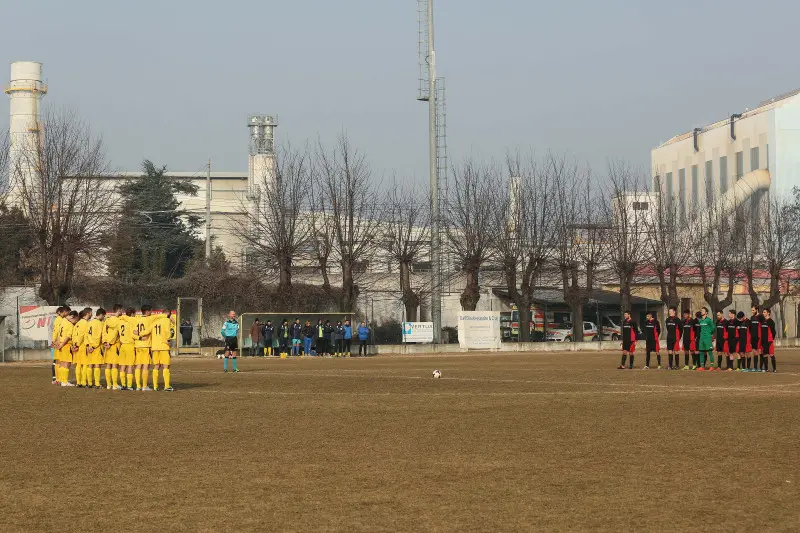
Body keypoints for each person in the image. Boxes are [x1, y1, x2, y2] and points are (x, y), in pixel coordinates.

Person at [133, 305, 155, 390]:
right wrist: (142, 334)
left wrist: (138, 334)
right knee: (146, 366)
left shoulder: (137, 320)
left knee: (138, 366)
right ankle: (144, 386)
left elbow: (133, 332)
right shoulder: (149, 319)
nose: (151, 312)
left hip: (138, 346)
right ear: (147, 311)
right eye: (150, 311)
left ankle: (138, 386)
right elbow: (149, 330)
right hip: (146, 345)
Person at [54, 311, 78, 386]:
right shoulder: (70, 325)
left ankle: (61, 380)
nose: (76, 322)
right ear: (72, 316)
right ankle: (64, 381)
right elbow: (68, 337)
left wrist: (58, 342)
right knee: (67, 363)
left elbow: (58, 333)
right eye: (76, 319)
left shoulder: (63, 321)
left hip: (61, 344)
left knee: (61, 363)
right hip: (66, 345)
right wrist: (62, 345)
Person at [150, 312, 174, 390]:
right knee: (166, 366)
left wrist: (139, 334)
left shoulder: (154, 321)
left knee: (156, 366)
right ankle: (166, 386)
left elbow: (147, 331)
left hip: (155, 347)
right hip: (163, 346)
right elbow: (167, 331)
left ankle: (155, 386)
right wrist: (168, 340)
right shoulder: (166, 320)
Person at [102, 305, 123, 390]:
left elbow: (104, 331)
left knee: (108, 365)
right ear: (119, 310)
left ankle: (108, 384)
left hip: (106, 344)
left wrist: (105, 342)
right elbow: (115, 333)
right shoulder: (118, 321)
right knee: (114, 365)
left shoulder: (107, 320)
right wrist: (110, 343)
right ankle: (114, 385)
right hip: (114, 345)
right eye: (121, 310)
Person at [86, 308, 106, 388]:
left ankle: (90, 383)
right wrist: (94, 346)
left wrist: (88, 346)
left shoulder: (89, 323)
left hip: (90, 346)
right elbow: (99, 336)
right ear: (100, 315)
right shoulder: (100, 324)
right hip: (96, 347)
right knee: (97, 365)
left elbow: (86, 335)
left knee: (90, 365)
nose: (104, 317)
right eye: (103, 316)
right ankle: (97, 384)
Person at [118, 308, 137, 389]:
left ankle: (123, 385)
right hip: (130, 345)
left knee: (122, 366)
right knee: (129, 366)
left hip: (122, 345)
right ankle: (129, 385)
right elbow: (134, 334)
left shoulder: (120, 321)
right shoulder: (132, 321)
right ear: (132, 314)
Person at [73, 309, 92, 387]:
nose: (91, 314)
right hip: (82, 346)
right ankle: (84, 382)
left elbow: (74, 335)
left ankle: (78, 382)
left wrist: (74, 344)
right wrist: (77, 345)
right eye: (91, 313)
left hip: (77, 346)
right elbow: (81, 335)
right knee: (85, 364)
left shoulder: (78, 323)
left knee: (78, 364)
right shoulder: (85, 323)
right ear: (88, 313)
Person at [51, 306, 69, 384]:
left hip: (56, 341)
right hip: (59, 342)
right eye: (68, 312)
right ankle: (60, 379)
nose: (68, 314)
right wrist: (55, 341)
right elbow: (57, 332)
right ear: (64, 311)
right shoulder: (60, 320)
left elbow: (55, 331)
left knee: (58, 361)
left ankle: (58, 379)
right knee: (61, 361)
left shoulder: (57, 319)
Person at [760, 308, 777, 372]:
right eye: (763, 312)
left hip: (769, 340)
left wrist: (772, 339)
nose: (763, 313)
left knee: (771, 354)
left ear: (768, 313)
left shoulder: (771, 321)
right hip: (763, 341)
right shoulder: (763, 321)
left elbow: (773, 332)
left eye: (764, 312)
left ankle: (774, 369)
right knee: (764, 354)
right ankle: (766, 368)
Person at [748, 306, 763, 371]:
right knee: (754, 352)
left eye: (753, 310)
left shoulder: (761, 317)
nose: (752, 311)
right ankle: (755, 367)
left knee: (760, 352)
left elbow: (764, 327)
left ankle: (761, 367)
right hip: (753, 337)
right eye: (752, 310)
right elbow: (750, 328)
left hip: (759, 337)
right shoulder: (752, 317)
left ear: (757, 310)